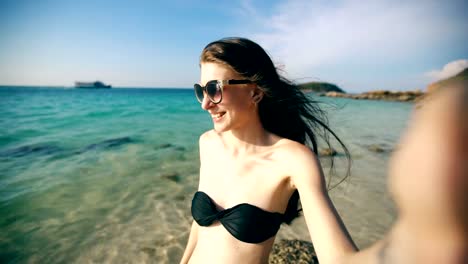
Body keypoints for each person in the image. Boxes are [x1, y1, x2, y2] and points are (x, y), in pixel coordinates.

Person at [180, 37, 357, 264]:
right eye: (202, 90)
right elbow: (200, 228)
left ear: (255, 93)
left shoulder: (293, 159)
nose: (205, 104)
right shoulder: (208, 143)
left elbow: (339, 259)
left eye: (215, 89)